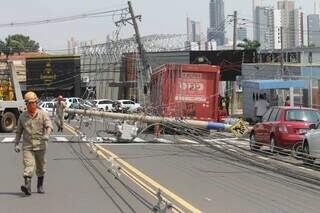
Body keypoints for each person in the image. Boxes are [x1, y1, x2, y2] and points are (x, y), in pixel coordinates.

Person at [14, 91, 53, 196]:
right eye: (28, 103)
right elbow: (18, 132)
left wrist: (47, 135)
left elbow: (49, 125)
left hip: (41, 145)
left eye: (33, 102)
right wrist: (16, 144)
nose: (31, 105)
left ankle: (40, 186)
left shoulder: (43, 114)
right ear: (26, 104)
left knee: (41, 167)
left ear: (36, 102)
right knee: (28, 166)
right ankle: (27, 187)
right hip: (28, 145)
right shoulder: (22, 116)